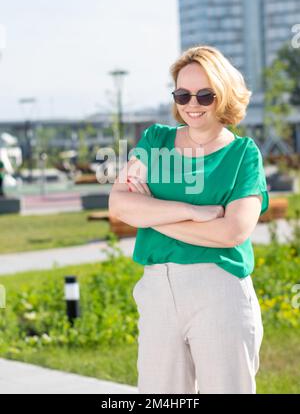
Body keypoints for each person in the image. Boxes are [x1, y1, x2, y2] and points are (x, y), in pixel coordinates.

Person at [109, 45, 269, 394]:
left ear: (223, 95)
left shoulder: (243, 154)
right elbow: (120, 205)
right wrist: (192, 212)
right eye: (182, 94)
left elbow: (232, 231)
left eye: (204, 95)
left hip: (221, 290)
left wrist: (151, 213)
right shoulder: (156, 140)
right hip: (157, 290)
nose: (191, 104)